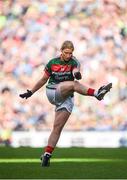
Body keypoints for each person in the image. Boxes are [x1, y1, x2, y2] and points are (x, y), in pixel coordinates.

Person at [19, 40, 112, 167]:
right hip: (53, 91)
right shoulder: (52, 62)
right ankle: (97, 93)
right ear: (61, 51)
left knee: (57, 128)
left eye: (71, 53)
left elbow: (75, 71)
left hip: (66, 98)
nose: (68, 55)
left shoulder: (75, 61)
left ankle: (46, 155)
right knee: (74, 85)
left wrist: (77, 74)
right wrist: (31, 92)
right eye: (66, 53)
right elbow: (43, 80)